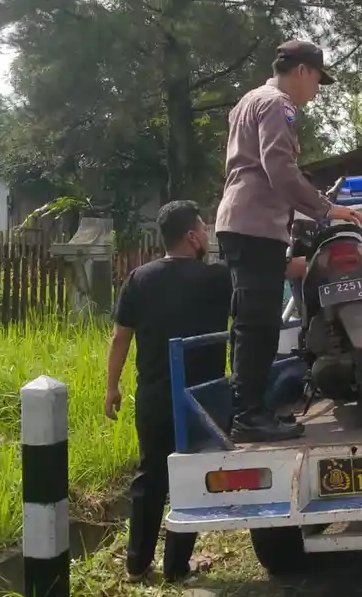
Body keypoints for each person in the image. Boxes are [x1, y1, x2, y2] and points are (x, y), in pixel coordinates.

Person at [215, 40, 362, 443]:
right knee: (258, 325)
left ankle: (251, 410)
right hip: (255, 224)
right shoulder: (277, 104)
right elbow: (279, 170)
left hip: (244, 220)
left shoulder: (248, 100)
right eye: (317, 79)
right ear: (302, 71)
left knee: (251, 322)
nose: (316, 90)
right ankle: (249, 416)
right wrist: (326, 208)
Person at [103, 201, 230, 583]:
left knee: (150, 475)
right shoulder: (218, 279)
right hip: (201, 399)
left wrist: (111, 387)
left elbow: (120, 337)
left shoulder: (139, 279)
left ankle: (137, 564)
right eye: (204, 230)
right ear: (192, 237)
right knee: (188, 478)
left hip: (153, 396)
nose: (206, 236)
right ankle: (177, 567)